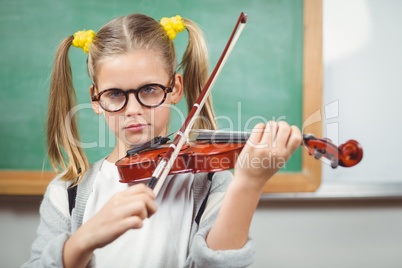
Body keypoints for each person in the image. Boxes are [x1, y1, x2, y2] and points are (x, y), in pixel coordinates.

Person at [23, 13, 302, 268]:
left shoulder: (210, 184)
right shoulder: (67, 193)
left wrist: (248, 184)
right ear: (96, 99)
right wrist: (83, 240)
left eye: (149, 89)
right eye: (115, 94)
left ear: (174, 89)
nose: (133, 109)